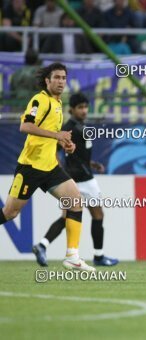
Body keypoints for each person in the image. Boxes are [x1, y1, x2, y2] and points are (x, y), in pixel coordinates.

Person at [0, 63, 95, 272]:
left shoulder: (58, 103)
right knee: (9, 213)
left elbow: (51, 135)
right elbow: (25, 126)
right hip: (30, 167)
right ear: (47, 80)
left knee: (76, 201)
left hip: (50, 166)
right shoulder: (39, 100)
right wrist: (57, 135)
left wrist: (64, 144)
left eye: (64, 78)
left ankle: (72, 256)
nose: (61, 81)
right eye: (57, 78)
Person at [32, 93, 119, 267]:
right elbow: (54, 150)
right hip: (83, 180)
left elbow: (78, 154)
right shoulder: (70, 128)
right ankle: (99, 256)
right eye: (80, 107)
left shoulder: (80, 126)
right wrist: (59, 170)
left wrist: (91, 163)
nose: (84, 110)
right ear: (71, 109)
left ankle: (42, 245)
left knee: (67, 217)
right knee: (97, 214)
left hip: (79, 176)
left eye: (86, 107)